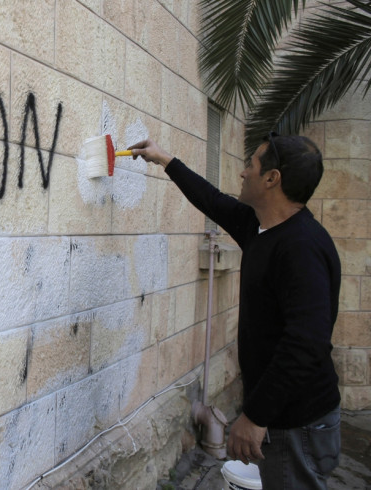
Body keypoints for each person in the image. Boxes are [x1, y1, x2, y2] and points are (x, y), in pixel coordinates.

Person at [128, 135, 341, 489]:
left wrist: (255, 417)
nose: (243, 174)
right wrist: (164, 159)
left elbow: (306, 344)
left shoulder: (301, 247)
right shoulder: (260, 228)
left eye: (252, 165)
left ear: (272, 179)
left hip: (298, 423)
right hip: (282, 417)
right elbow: (212, 200)